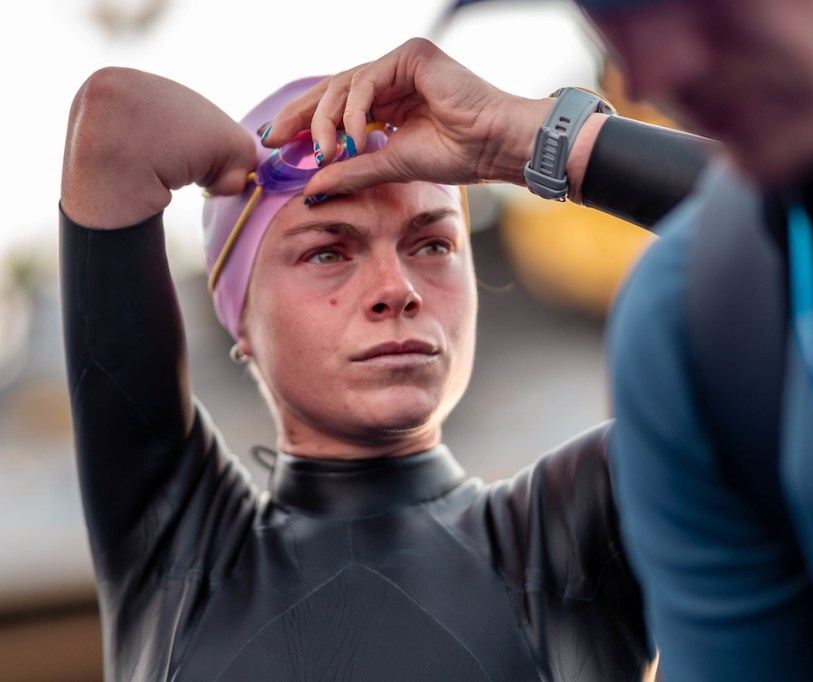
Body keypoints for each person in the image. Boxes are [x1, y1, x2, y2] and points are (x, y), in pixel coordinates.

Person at [259, 0, 813, 678]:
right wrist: (536, 144)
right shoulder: (699, 332)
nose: (653, 70)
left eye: (433, 244)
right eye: (608, 14)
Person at [59, 67, 655, 681]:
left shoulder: (578, 531)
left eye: (432, 245)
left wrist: (535, 141)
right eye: (327, 251)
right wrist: (250, 162)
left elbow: (755, 241)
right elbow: (117, 119)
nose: (396, 290)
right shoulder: (179, 551)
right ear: (239, 316)